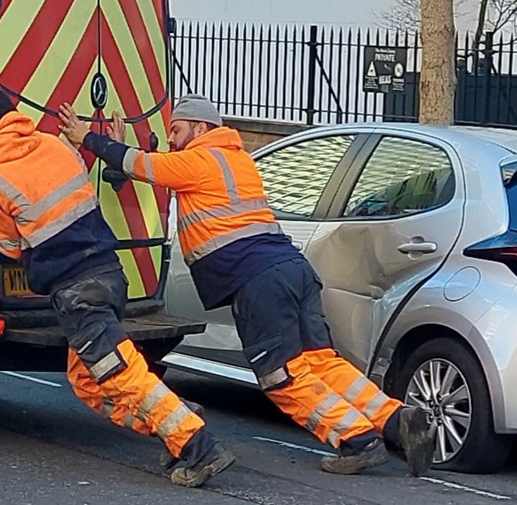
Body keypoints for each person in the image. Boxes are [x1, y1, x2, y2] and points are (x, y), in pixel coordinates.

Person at [85, 92, 440, 476]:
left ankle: (357, 440)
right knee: (320, 363)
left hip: (257, 280)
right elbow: (160, 168)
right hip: (290, 268)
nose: (170, 137)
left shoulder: (202, 158)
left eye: (176, 129)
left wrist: (93, 141)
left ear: (200, 127)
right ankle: (396, 421)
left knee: (281, 377)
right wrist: (121, 153)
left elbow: (147, 165)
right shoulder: (233, 159)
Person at [0, 88, 233, 487]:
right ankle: (173, 417)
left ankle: (197, 444)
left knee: (120, 372)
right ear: (15, 116)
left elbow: (9, 248)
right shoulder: (57, 148)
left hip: (77, 293)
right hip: (110, 275)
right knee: (89, 382)